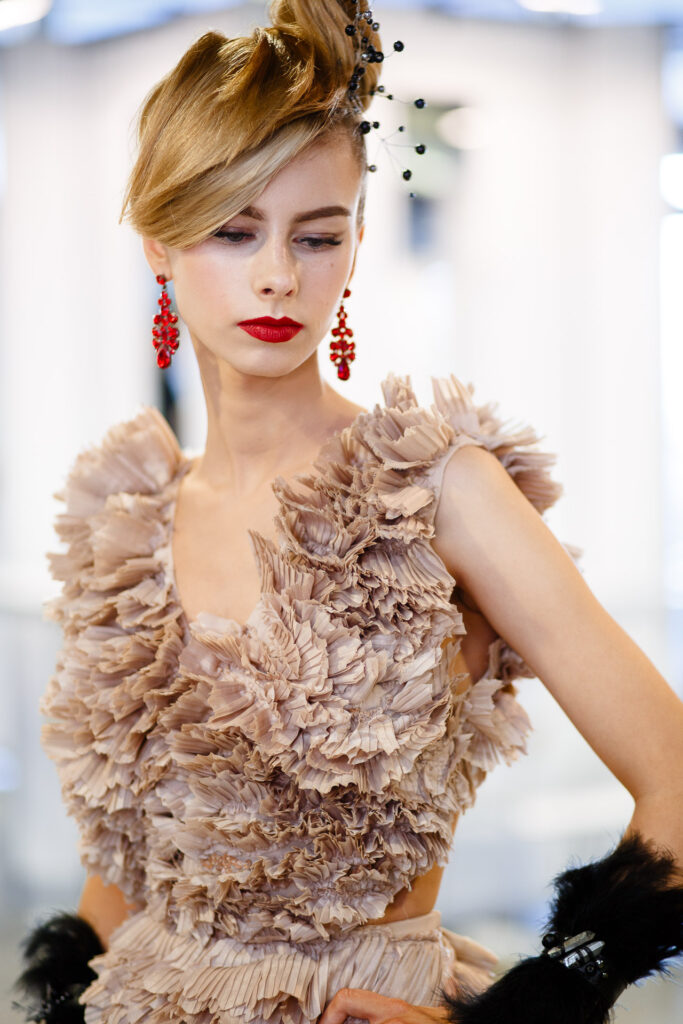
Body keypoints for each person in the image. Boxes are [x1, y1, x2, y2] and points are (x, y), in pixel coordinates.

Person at [14, 3, 683, 1024]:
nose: (279, 276)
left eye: (316, 235)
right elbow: (131, 863)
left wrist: (537, 1003)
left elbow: (673, 772)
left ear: (357, 245)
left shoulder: (435, 490)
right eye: (233, 231)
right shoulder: (129, 525)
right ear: (158, 244)